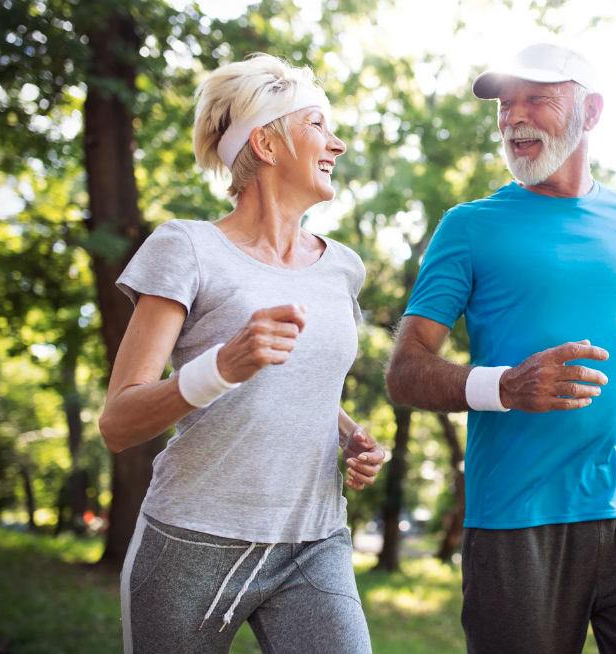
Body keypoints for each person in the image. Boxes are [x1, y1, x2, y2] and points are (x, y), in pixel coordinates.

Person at [385, 43, 616, 654]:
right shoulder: (468, 226)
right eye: (506, 104)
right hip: (517, 520)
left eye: (538, 98)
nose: (513, 117)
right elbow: (405, 371)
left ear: (592, 111)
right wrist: (501, 387)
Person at [99, 54, 383, 654]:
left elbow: (295, 386)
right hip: (192, 541)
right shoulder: (188, 247)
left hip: (315, 540)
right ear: (267, 143)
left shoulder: (343, 267)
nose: (338, 142)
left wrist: (348, 434)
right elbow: (118, 423)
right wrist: (220, 367)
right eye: (318, 126)